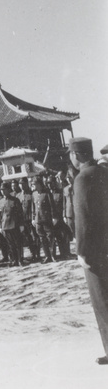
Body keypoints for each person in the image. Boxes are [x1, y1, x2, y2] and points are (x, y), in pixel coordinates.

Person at [70, 137, 108, 365]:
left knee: (102, 300)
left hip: (95, 249)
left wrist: (81, 251)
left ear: (76, 155)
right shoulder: (104, 172)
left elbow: (82, 219)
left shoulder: (82, 178)